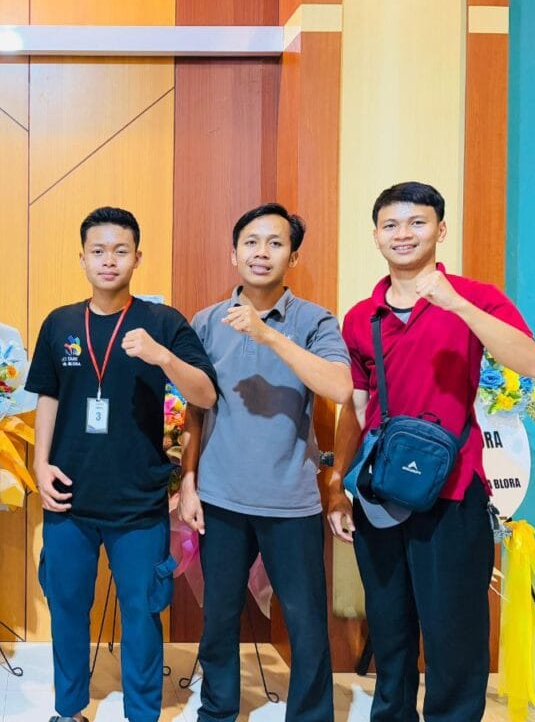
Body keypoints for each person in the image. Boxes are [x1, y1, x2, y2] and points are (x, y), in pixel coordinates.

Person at [326, 182, 535, 722]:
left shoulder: (475, 296)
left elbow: (533, 363)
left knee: (454, 635)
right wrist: (336, 483)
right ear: (376, 236)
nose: (403, 234)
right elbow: (355, 407)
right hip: (379, 494)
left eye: (417, 222)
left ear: (440, 230)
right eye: (391, 225)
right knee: (390, 629)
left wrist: (456, 304)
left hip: (453, 493)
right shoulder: (362, 316)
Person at [26, 206, 218, 722]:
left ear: (137, 257)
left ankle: (142, 713)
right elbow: (47, 396)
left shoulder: (162, 322)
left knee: (141, 612)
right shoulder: (60, 323)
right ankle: (69, 709)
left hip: (138, 501)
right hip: (69, 496)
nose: (108, 260)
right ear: (82, 258)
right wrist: (40, 464)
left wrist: (163, 357)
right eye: (98, 251)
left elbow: (205, 394)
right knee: (67, 608)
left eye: (120, 251)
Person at [179, 203, 351, 722]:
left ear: (292, 257)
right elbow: (194, 410)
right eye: (251, 242)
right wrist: (188, 481)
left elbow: (340, 387)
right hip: (220, 496)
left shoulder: (314, 320)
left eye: (275, 243)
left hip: (291, 499)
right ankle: (217, 710)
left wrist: (267, 333)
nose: (261, 252)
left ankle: (311, 716)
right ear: (233, 254)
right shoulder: (206, 321)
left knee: (305, 622)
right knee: (219, 618)